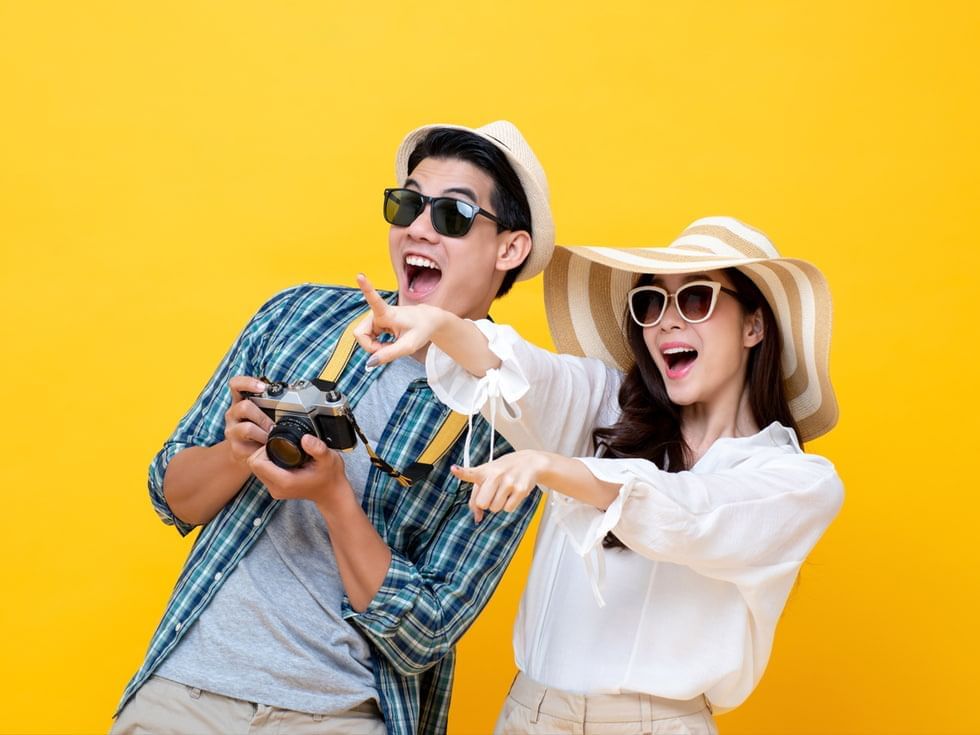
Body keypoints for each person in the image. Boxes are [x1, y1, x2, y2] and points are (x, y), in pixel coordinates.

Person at [110, 120, 555, 735]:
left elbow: (427, 633)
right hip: (185, 693)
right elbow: (171, 496)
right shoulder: (300, 315)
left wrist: (335, 498)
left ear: (509, 249)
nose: (418, 228)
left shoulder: (513, 418)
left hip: (338, 714)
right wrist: (235, 452)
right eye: (407, 203)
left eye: (452, 214)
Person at [354, 216, 844, 734]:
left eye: (696, 299)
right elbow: (526, 374)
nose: (666, 323)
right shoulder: (605, 406)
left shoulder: (797, 481)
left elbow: (694, 511)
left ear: (753, 325)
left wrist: (553, 466)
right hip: (532, 715)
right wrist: (441, 325)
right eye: (651, 304)